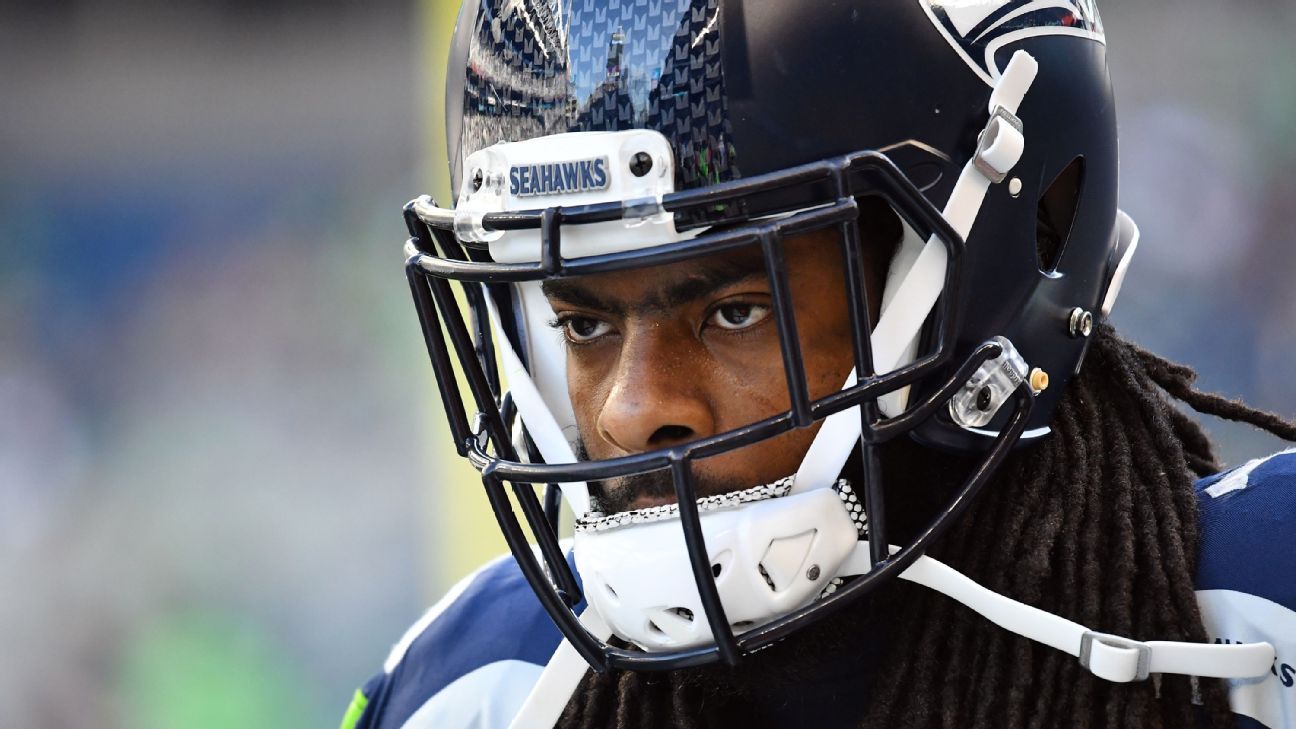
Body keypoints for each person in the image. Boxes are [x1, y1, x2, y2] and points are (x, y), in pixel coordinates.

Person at [341, 1, 1296, 727]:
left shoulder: (1258, 618)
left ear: (1016, 246)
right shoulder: (477, 690)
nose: (633, 412)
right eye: (584, 325)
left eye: (732, 310)